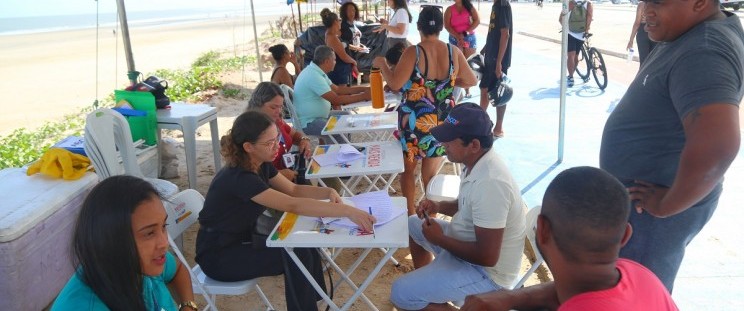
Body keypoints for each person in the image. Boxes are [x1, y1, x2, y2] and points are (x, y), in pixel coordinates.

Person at [600, 0, 743, 292]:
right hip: (647, 204)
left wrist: (667, 205)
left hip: (650, 214)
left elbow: (719, 145)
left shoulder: (703, 50)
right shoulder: (684, 31)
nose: (646, 10)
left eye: (658, 2)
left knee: (638, 294)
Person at [194, 110, 376, 311]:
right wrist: (346, 211)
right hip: (219, 255)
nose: (277, 147)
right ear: (248, 147)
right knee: (295, 254)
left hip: (240, 241)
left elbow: (294, 189)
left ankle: (317, 301)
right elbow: (292, 204)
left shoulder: (260, 163)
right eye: (269, 143)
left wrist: (328, 191)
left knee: (303, 246)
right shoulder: (240, 177)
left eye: (277, 138)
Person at [461, 167, 678, 311]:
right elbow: (573, 291)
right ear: (625, 236)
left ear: (542, 228)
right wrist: (508, 298)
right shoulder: (638, 274)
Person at [389, 103, 527, 310]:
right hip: (469, 246)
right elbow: (465, 207)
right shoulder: (474, 163)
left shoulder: (491, 183)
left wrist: (441, 240)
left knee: (401, 293)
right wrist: (437, 205)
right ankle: (431, 290)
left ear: (473, 145)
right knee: (413, 224)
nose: (443, 143)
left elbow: (487, 257)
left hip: (487, 273)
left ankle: (428, 294)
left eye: (450, 140)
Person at [372, 6, 477, 216]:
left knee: (409, 171)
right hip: (441, 124)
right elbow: (472, 80)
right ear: (441, 27)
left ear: (418, 27)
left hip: (414, 122)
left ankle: (411, 214)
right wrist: (448, 82)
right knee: (430, 175)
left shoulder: (414, 51)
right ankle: (431, 215)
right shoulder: (453, 51)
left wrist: (382, 64)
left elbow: (394, 83)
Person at [52, 175, 197, 311]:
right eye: (149, 233)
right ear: (110, 241)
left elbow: (177, 270)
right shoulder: (85, 306)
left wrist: (187, 306)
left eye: (164, 226)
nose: (164, 243)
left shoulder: (142, 264)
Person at [293, 45, 370, 139]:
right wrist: (364, 96)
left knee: (347, 117)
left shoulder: (317, 71)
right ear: (326, 61)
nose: (335, 62)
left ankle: (346, 148)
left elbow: (338, 89)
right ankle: (343, 150)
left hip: (319, 116)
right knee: (336, 130)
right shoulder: (313, 75)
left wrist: (364, 89)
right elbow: (336, 100)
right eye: (334, 60)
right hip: (309, 122)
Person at [246, 82, 311, 182]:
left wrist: (304, 140)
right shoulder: (249, 129)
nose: (279, 111)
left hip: (286, 174)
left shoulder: (276, 121)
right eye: (273, 107)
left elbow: (294, 135)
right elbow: (249, 170)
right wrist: (279, 174)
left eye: (280, 107)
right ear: (258, 105)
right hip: (268, 182)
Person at [479, 0, 513, 139]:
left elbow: (505, 34)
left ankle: (487, 126)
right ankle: (487, 125)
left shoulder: (502, 5)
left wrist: (499, 62)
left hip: (497, 59)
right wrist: (484, 50)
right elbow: (494, 33)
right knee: (489, 90)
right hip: (492, 56)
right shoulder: (497, 4)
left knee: (497, 91)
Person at [445, 0, 480, 98]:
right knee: (456, 66)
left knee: (468, 65)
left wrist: (465, 33)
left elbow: (477, 21)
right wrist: (457, 36)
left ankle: (467, 89)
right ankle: (458, 91)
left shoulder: (470, 7)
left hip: (469, 38)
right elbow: (447, 26)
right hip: (454, 38)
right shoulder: (449, 10)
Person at [559, 0, 593, 88]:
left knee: (571, 56)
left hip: (570, 33)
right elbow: (589, 19)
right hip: (582, 35)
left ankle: (570, 77)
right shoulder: (589, 4)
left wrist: (566, 27)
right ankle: (571, 75)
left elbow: (560, 19)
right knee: (575, 56)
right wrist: (586, 30)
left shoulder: (569, 3)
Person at [321, 8, 359, 86]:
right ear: (335, 22)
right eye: (339, 20)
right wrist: (353, 62)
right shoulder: (332, 37)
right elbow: (343, 56)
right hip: (339, 71)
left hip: (341, 69)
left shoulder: (332, 34)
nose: (340, 22)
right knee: (343, 94)